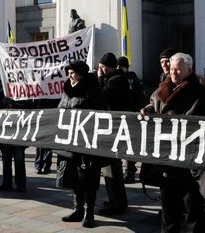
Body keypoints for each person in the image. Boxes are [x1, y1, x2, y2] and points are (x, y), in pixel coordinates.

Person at [141, 52, 205, 233]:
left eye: (178, 70)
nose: (173, 73)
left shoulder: (200, 93)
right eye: (172, 69)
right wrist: (147, 109)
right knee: (168, 202)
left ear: (189, 70)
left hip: (188, 157)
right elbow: (155, 104)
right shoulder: (162, 89)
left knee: (191, 202)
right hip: (166, 156)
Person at [56, 60, 105, 228]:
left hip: (87, 142)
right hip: (70, 141)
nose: (70, 75)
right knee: (74, 176)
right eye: (68, 72)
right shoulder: (67, 90)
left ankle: (89, 212)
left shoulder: (93, 90)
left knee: (88, 178)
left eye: (73, 73)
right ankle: (77, 209)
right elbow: (61, 108)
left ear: (82, 74)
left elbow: (101, 114)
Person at [96, 52, 129, 215]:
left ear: (108, 67)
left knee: (112, 169)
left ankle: (117, 202)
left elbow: (102, 96)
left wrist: (100, 78)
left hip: (113, 130)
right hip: (112, 129)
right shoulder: (116, 79)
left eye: (101, 67)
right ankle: (115, 199)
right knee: (110, 169)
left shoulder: (115, 81)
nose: (99, 70)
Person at [0, 89, 28, 193]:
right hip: (4, 133)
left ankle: (21, 184)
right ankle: (6, 183)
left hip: (18, 134)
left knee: (19, 160)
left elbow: (29, 110)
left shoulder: (22, 92)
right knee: (6, 160)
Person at [117, 56, 147, 184]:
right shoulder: (133, 79)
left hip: (130, 116)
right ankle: (129, 170)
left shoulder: (129, 79)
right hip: (130, 115)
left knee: (129, 145)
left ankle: (129, 171)